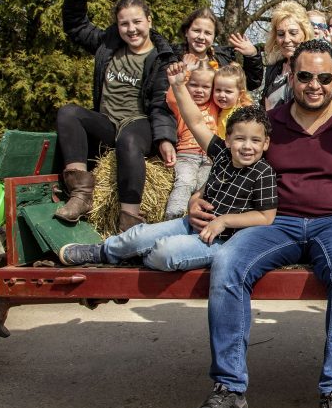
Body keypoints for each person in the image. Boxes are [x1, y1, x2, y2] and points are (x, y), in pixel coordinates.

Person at [181, 39, 332, 408]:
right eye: (305, 76)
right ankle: (229, 393)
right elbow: (235, 165)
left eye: (325, 78)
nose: (314, 85)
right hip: (278, 221)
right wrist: (200, 197)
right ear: (290, 76)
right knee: (228, 265)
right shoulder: (271, 122)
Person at [57, 66, 277, 271]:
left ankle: (135, 256)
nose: (247, 146)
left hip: (223, 240)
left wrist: (224, 220)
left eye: (255, 141)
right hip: (192, 224)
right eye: (240, 139)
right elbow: (196, 122)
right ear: (227, 139)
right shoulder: (221, 153)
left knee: (165, 251)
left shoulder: (263, 172)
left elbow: (266, 217)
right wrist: (179, 86)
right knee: (138, 236)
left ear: (265, 143)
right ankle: (102, 251)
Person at [56, 0, 177, 232]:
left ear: (149, 21)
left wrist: (166, 139)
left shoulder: (161, 58)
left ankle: (129, 218)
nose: (131, 29)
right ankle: (80, 194)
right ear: (117, 26)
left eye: (137, 22)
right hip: (108, 123)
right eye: (124, 24)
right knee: (68, 113)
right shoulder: (108, 45)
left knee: (129, 140)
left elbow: (160, 103)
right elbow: (76, 28)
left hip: (138, 124)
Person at [163, 59, 219, 219]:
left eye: (205, 86)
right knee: (185, 182)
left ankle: (204, 217)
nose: (199, 90)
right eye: (194, 85)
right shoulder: (182, 105)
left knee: (205, 186)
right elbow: (173, 95)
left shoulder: (214, 105)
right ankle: (174, 216)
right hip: (187, 155)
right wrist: (185, 73)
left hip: (209, 158)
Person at [174, 7, 263, 91]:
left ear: (214, 37)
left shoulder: (224, 61)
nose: (201, 37)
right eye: (196, 31)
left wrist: (252, 56)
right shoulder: (171, 58)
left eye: (208, 33)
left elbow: (249, 84)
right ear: (186, 32)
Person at [261, 0, 313, 111]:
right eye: (281, 34)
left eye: (293, 33)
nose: (286, 39)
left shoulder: (314, 66)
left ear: (305, 33)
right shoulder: (273, 68)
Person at [211, 64, 254, 139]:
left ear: (240, 94)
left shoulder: (241, 115)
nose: (222, 95)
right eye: (218, 90)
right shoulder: (216, 109)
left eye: (228, 91)